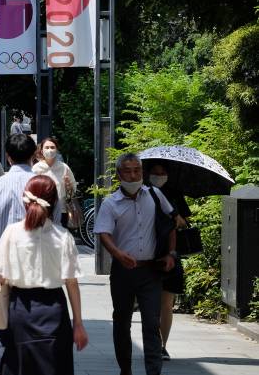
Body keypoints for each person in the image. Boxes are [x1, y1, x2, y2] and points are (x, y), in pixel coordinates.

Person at [0, 175, 88, 375]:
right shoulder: (63, 237)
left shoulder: (12, 233)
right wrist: (78, 323)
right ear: (54, 203)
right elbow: (72, 283)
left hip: (21, 308)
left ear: (24, 200)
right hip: (54, 309)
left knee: (19, 366)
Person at [94, 153, 178, 375]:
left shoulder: (155, 195)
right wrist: (118, 254)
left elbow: (171, 224)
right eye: (128, 171)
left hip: (151, 270)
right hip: (123, 272)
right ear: (119, 174)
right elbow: (103, 233)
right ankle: (126, 369)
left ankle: (153, 371)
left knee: (151, 322)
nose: (133, 175)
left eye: (137, 170)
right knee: (122, 322)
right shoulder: (111, 203)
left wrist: (171, 254)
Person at [0, 133, 37, 367]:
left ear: (8, 157)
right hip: (36, 266)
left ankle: (5, 367)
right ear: (34, 156)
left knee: (4, 324)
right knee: (34, 320)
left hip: (2, 267)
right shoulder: (45, 185)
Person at [146, 162, 190, 362]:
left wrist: (175, 217)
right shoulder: (142, 193)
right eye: (155, 173)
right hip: (147, 255)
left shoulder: (174, 193)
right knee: (150, 304)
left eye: (163, 173)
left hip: (171, 254)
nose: (159, 176)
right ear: (148, 174)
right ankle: (153, 343)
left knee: (166, 304)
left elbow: (184, 222)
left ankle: (163, 345)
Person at [32, 137, 77, 226]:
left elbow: (73, 189)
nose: (50, 150)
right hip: (42, 211)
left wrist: (68, 185)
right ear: (41, 151)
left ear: (56, 150)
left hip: (61, 210)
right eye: (47, 147)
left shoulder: (64, 168)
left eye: (52, 147)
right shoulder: (36, 169)